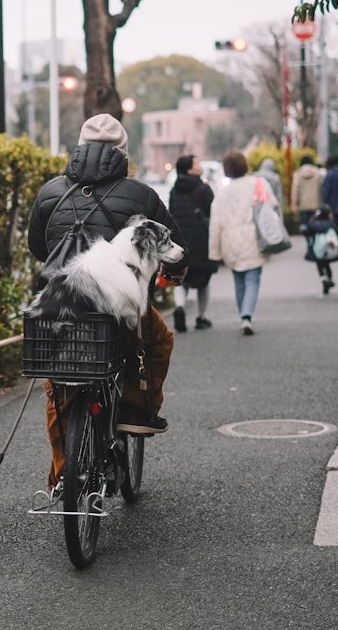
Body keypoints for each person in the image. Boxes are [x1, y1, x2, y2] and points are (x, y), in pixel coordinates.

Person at [27, 113, 188, 485]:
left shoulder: (51, 191)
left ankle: (61, 477)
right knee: (157, 341)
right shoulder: (142, 195)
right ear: (123, 153)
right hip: (117, 306)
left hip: (62, 303)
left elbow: (39, 247)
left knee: (60, 383)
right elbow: (176, 247)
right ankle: (134, 410)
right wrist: (175, 273)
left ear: (80, 148)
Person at [208, 149, 277, 335]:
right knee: (253, 280)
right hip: (255, 239)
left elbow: (215, 224)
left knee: (239, 280)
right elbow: (273, 206)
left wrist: (214, 252)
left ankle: (243, 316)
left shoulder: (222, 193)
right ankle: (247, 316)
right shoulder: (259, 183)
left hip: (230, 242)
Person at [168, 153, 216, 332]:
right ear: (189, 169)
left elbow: (171, 213)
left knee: (181, 277)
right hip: (202, 239)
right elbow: (213, 212)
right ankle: (201, 317)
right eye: (196, 163)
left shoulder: (174, 190)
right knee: (204, 279)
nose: (199, 165)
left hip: (180, 240)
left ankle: (179, 307)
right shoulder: (204, 189)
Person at [304, 207, 338, 295]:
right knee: (327, 265)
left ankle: (323, 278)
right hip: (329, 249)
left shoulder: (313, 224)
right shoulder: (331, 224)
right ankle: (329, 279)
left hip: (317, 249)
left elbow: (306, 232)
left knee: (320, 265)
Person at [291, 153, 324, 228]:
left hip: (303, 205)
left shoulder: (297, 174)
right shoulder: (318, 173)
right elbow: (322, 189)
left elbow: (295, 190)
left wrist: (294, 205)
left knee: (305, 227)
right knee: (315, 225)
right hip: (316, 204)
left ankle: (308, 239)